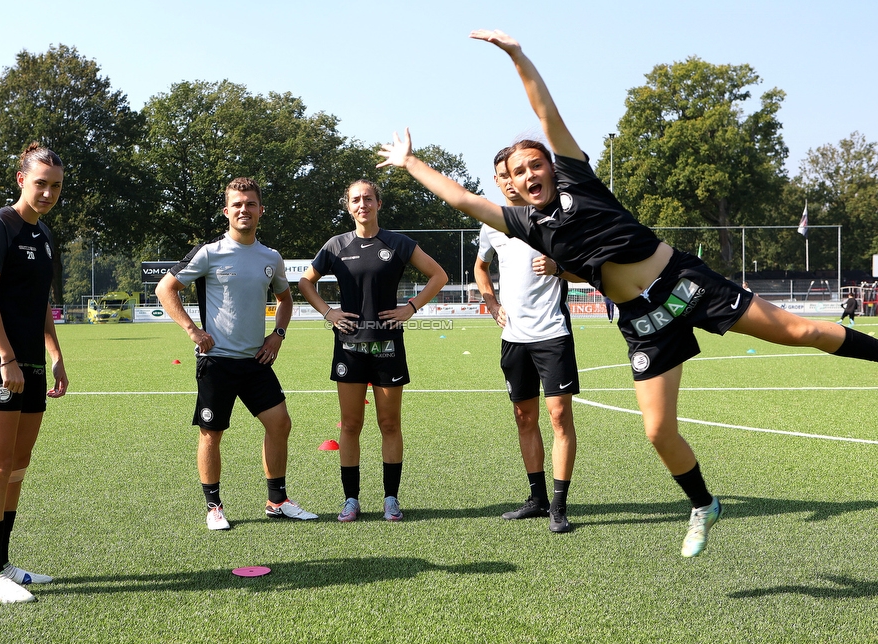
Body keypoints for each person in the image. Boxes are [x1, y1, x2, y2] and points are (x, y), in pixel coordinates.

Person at [378, 30, 878, 557]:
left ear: (551, 165)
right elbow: (459, 198)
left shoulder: (579, 181)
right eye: (519, 172)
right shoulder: (526, 226)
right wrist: (410, 162)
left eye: (536, 164)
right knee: (659, 432)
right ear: (512, 186)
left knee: (804, 331)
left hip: (686, 286)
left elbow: (546, 115)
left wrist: (518, 56)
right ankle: (703, 504)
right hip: (643, 321)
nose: (530, 174)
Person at [156, 177, 317, 531]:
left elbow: (285, 299)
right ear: (227, 211)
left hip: (255, 360)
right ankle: (214, 507)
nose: (245, 210)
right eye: (238, 205)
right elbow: (165, 288)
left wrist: (277, 334)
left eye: (251, 204)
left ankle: (277, 501)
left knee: (280, 423)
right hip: (216, 362)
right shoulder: (210, 253)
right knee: (211, 433)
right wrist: (192, 330)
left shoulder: (270, 257)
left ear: (261, 210)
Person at [299, 179, 447, 522]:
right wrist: (329, 313)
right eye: (355, 199)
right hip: (349, 347)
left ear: (378, 204)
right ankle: (351, 499)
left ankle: (391, 499)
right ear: (348, 206)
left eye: (368, 198)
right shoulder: (336, 245)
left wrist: (410, 307)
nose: (362, 204)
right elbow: (305, 282)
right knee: (350, 425)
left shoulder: (398, 243)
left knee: (389, 424)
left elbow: (438, 275)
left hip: (387, 347)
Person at [0, 142, 68, 603]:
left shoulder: (43, 235)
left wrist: (55, 352)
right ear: (21, 179)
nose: (47, 192)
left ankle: (3, 564)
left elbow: (40, 301)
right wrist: (5, 357)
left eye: (56, 186)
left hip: (30, 361)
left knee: (18, 468)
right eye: (40, 182)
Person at [474, 148, 579, 532]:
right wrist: (489, 300)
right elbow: (480, 267)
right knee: (523, 417)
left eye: (515, 172)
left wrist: (558, 268)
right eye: (503, 174)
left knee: (559, 417)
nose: (511, 179)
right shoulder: (492, 224)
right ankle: (535, 499)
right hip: (513, 338)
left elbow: (590, 268)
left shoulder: (555, 218)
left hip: (552, 333)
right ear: (500, 181)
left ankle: (559, 506)